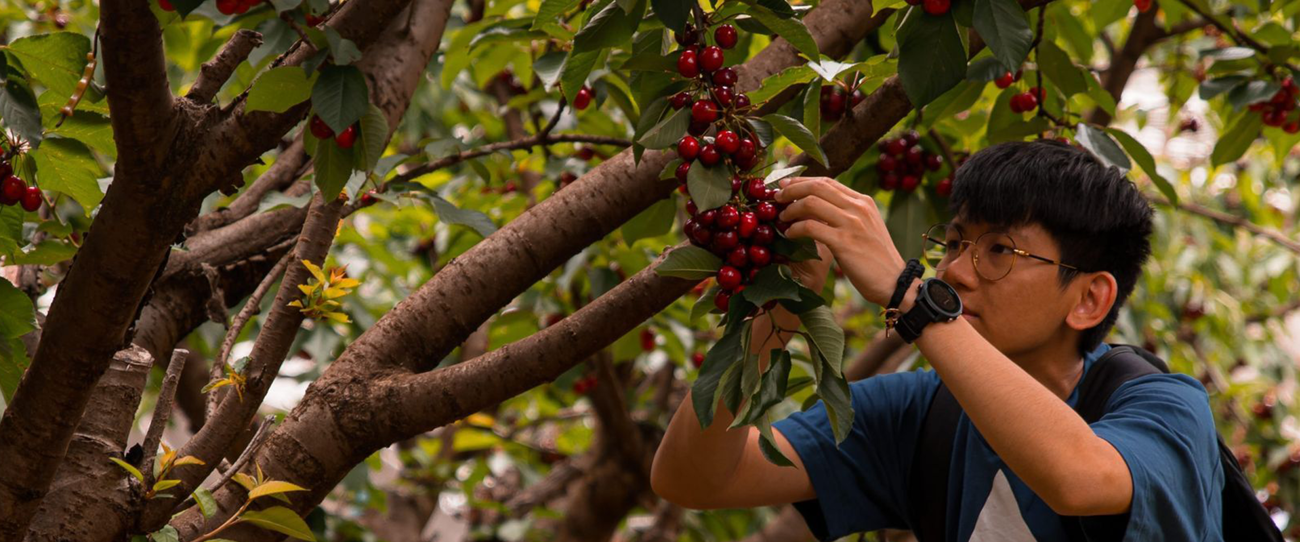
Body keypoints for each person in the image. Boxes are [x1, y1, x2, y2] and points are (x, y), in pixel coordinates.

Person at [650, 140, 1224, 541]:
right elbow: (693, 478)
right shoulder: (919, 412)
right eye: (953, 243)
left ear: (1089, 299)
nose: (955, 271)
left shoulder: (1166, 407)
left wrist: (908, 295)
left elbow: (1080, 479)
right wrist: (772, 315)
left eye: (1000, 249)